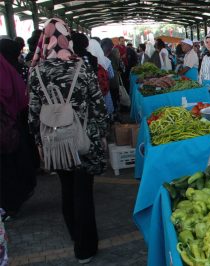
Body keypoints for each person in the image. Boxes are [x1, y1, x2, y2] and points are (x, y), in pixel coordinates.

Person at [28, 18, 108, 264]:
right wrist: (101, 135)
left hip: (54, 140)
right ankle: (85, 248)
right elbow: (98, 106)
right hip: (82, 140)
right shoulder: (80, 68)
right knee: (83, 191)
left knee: (66, 188)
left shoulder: (37, 71)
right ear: (67, 39)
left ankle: (75, 234)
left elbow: (32, 113)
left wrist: (39, 141)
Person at [0, 39, 38, 222]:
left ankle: (10, 204)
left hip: (5, 128)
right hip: (15, 125)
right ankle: (14, 201)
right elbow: (23, 97)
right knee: (14, 165)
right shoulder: (15, 69)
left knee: (7, 170)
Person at [88, 39, 115, 115]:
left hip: (91, 94)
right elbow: (111, 75)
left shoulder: (84, 62)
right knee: (106, 111)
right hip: (104, 91)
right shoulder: (105, 60)